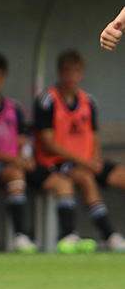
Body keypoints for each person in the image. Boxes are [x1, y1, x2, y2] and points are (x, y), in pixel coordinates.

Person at [0, 52, 77, 254]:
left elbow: (23, 141)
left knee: (62, 182)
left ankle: (69, 237)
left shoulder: (14, 107)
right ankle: (20, 236)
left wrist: (26, 157)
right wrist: (14, 160)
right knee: (16, 174)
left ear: (4, 77)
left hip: (17, 163)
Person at [33, 49, 125, 253]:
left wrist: (95, 159)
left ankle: (108, 236)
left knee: (121, 176)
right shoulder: (47, 100)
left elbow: (93, 136)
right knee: (85, 177)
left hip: (87, 160)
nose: (71, 77)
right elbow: (48, 143)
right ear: (59, 72)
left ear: (81, 74)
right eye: (67, 72)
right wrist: (84, 162)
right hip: (57, 162)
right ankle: (109, 235)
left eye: (76, 72)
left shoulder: (88, 101)